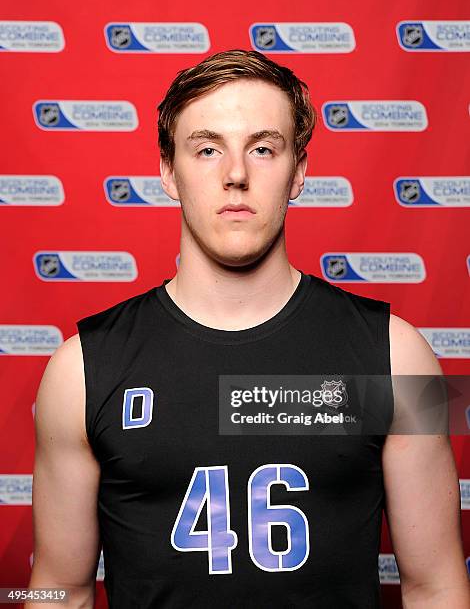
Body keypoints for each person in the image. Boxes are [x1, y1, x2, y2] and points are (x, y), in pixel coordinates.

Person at [26, 49, 469, 608]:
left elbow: (436, 587)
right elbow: (56, 590)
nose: (236, 174)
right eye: (207, 149)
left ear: (299, 171)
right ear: (167, 171)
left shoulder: (400, 356)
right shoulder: (81, 369)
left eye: (263, 148)